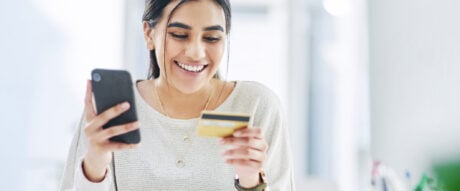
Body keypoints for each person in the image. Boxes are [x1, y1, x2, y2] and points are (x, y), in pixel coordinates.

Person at [60, 0, 295, 190]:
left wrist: (250, 182)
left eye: (212, 38)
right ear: (149, 34)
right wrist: (95, 164)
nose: (196, 52)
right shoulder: (114, 110)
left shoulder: (255, 106)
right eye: (180, 35)